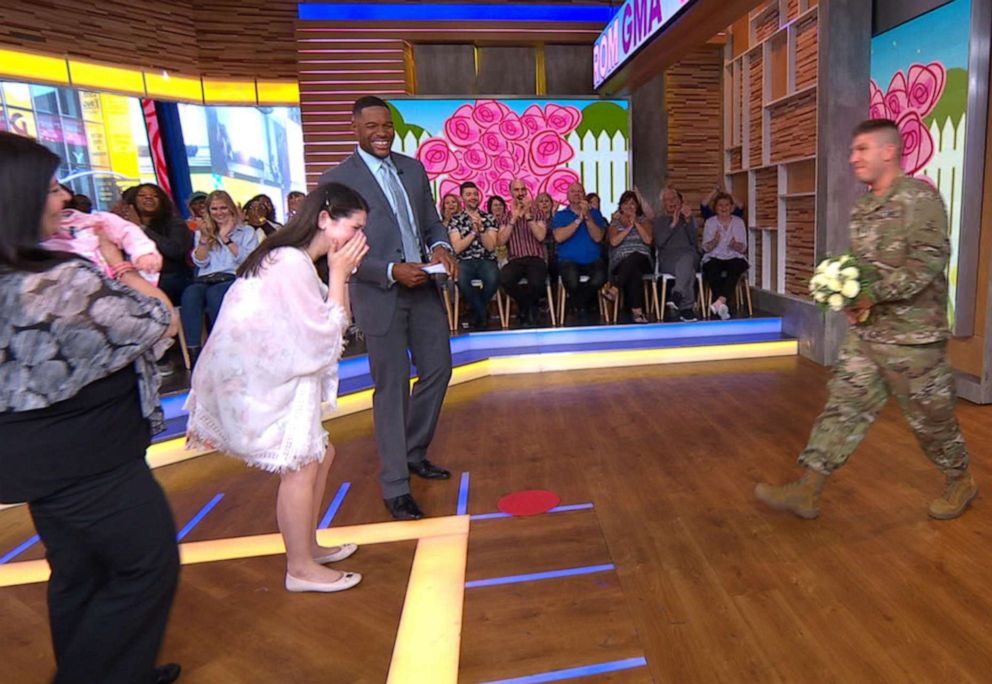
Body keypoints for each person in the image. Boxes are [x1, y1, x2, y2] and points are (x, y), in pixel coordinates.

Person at [0, 132, 182, 684]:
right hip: (89, 457)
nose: (65, 201)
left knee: (77, 573)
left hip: (34, 459)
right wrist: (116, 262)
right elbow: (157, 319)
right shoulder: (57, 280)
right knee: (147, 567)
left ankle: (121, 671)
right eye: (53, 189)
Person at [755, 118, 977, 521]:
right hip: (869, 333)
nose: (853, 157)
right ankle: (809, 488)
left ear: (888, 151)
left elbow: (929, 260)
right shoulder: (863, 206)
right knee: (843, 404)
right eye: (853, 150)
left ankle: (959, 478)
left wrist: (875, 293)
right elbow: (861, 266)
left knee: (931, 420)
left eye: (862, 149)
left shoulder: (919, 199)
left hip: (914, 339)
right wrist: (850, 295)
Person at [186, 183, 369, 593]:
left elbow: (330, 323)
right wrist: (340, 273)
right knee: (302, 463)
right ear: (324, 219)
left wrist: (339, 275)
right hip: (253, 381)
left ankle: (308, 546)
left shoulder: (293, 260)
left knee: (322, 454)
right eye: (354, 227)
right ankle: (300, 567)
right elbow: (326, 336)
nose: (359, 238)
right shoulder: (289, 262)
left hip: (261, 375)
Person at [318, 95, 458, 521]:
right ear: (355, 127)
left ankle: (413, 451)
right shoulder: (337, 180)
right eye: (372, 126)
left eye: (387, 126)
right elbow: (336, 247)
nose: (381, 133)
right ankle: (396, 485)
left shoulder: (413, 169)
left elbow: (430, 221)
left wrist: (441, 247)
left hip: (425, 287)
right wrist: (390, 269)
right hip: (379, 292)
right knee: (392, 387)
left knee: (438, 370)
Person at [181, 189, 258, 366]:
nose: (219, 213)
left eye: (223, 208)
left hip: (232, 277)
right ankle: (195, 355)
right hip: (205, 278)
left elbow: (247, 260)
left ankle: (222, 350)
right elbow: (200, 262)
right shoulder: (203, 232)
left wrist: (226, 238)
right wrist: (204, 240)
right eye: (214, 209)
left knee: (215, 295)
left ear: (231, 209)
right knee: (190, 295)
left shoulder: (246, 232)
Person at [129, 183, 195, 306]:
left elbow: (175, 250)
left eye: (154, 196)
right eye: (142, 195)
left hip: (170, 278)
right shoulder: (123, 227)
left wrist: (143, 229)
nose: (148, 198)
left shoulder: (175, 223)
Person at [552, 181, 607, 323]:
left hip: (592, 259)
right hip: (568, 259)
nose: (577, 194)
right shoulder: (560, 215)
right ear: (567, 196)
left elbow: (598, 237)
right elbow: (559, 237)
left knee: (600, 277)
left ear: (584, 195)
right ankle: (583, 307)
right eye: (573, 191)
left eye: (580, 191)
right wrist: (578, 220)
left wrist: (587, 216)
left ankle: (577, 304)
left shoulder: (595, 213)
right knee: (571, 279)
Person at [449, 181, 500, 330]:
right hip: (464, 261)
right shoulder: (456, 219)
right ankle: (482, 313)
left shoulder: (489, 218)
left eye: (475, 194)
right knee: (460, 278)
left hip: (486, 260)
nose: (473, 197)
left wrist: (482, 230)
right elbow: (456, 248)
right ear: (462, 198)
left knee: (494, 277)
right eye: (468, 194)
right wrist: (473, 233)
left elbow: (490, 247)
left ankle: (477, 312)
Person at [497, 178, 548, 327]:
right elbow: (500, 240)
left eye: (522, 190)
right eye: (516, 190)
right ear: (511, 192)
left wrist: (528, 216)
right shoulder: (505, 216)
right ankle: (527, 306)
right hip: (515, 259)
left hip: (535, 258)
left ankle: (527, 310)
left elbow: (540, 236)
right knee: (504, 279)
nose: (520, 193)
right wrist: (513, 218)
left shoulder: (537, 213)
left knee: (537, 283)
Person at [654, 188, 701, 322]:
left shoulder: (688, 219)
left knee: (687, 258)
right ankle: (686, 309)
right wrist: (673, 225)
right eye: (667, 200)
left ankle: (677, 293)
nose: (671, 202)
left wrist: (687, 221)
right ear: (663, 203)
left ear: (680, 201)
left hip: (689, 255)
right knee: (688, 270)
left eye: (674, 199)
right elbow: (659, 243)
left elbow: (693, 241)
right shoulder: (659, 221)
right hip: (669, 259)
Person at [607, 190, 653, 323]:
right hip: (621, 261)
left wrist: (636, 224)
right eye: (626, 203)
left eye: (632, 203)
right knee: (633, 272)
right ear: (621, 206)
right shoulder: (615, 223)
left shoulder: (643, 220)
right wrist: (628, 228)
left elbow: (648, 240)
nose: (629, 206)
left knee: (636, 256)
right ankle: (637, 313)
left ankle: (615, 288)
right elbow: (614, 241)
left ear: (637, 206)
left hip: (643, 259)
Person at [701, 192, 748, 320]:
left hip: (734, 256)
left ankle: (719, 301)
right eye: (720, 205)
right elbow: (705, 248)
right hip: (715, 256)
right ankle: (722, 306)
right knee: (711, 268)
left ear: (732, 207)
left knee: (736, 266)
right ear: (715, 208)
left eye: (727, 205)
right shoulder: (710, 222)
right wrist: (715, 241)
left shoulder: (738, 222)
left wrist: (734, 244)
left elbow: (743, 248)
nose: (724, 208)